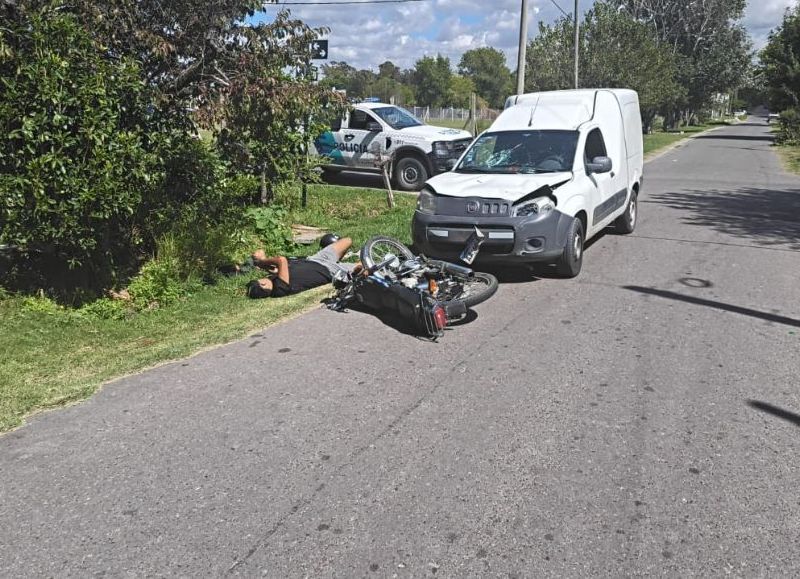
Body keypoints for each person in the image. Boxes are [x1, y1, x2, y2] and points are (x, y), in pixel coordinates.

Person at [246, 235, 358, 299]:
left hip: (315, 259)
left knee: (347, 240)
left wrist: (268, 267)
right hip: (330, 271)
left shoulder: (275, 281)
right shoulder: (279, 289)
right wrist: (262, 261)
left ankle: (338, 259)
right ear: (263, 284)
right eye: (259, 279)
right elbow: (281, 260)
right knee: (364, 264)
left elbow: (282, 270)